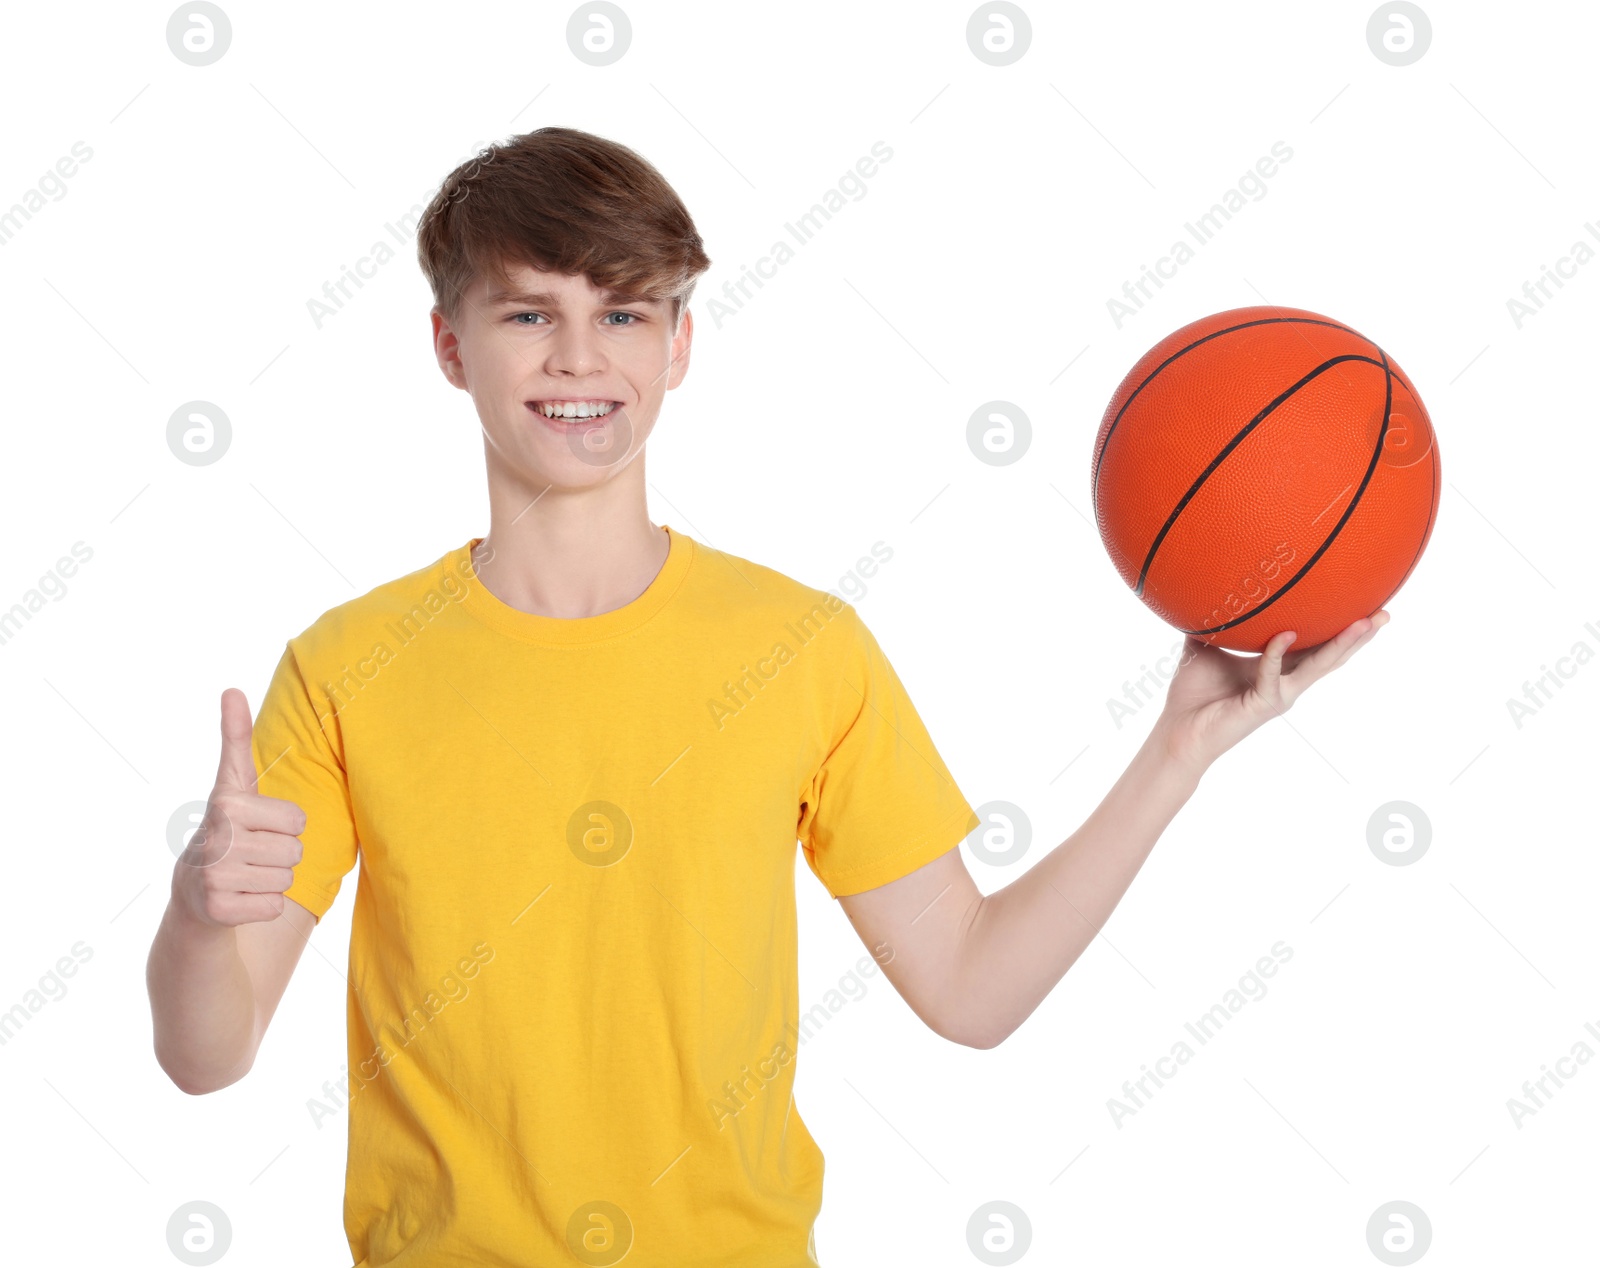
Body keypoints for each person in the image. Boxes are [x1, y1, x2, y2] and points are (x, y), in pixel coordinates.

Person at [145, 126, 1388, 1267]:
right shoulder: (347, 665)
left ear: (680, 346)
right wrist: (202, 918)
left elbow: (969, 986)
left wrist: (1176, 751)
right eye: (530, 312)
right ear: (450, 343)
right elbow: (207, 1056)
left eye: (626, 313)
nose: (581, 356)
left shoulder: (798, 649)